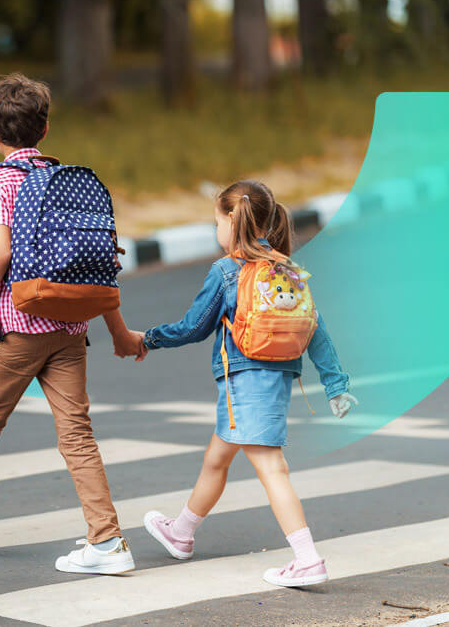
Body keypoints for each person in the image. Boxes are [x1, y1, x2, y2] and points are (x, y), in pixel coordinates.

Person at [0, 73, 144, 575]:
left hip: (15, 327)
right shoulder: (69, 180)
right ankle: (107, 542)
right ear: (46, 128)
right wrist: (117, 329)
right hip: (70, 328)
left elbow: (1, 251)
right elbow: (95, 267)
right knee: (77, 434)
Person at [131, 180, 358, 587]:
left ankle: (307, 559)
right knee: (217, 458)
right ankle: (181, 533)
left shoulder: (226, 270)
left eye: (216, 222)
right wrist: (335, 384)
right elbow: (315, 329)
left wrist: (147, 338)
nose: (215, 231)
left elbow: (193, 327)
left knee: (273, 468)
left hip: (245, 380)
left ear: (231, 222)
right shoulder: (288, 269)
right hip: (274, 379)